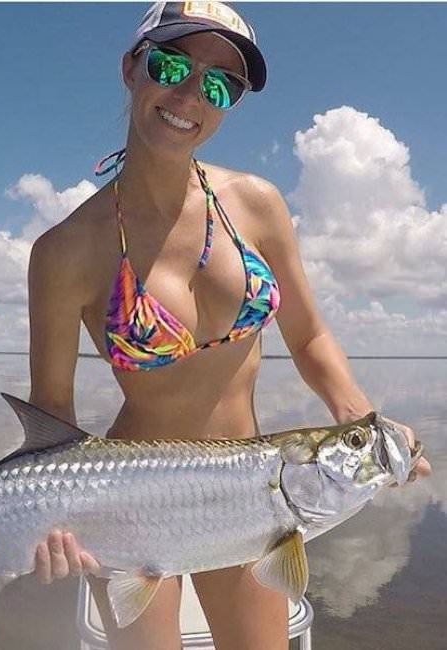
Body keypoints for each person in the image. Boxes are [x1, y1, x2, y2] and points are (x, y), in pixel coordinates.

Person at [26, 2, 432, 649]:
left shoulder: (256, 205)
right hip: (128, 503)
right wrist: (51, 519)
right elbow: (50, 417)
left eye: (221, 84)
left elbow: (310, 337)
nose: (191, 94)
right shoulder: (64, 251)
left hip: (253, 497)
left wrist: (366, 427)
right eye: (171, 64)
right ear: (133, 68)